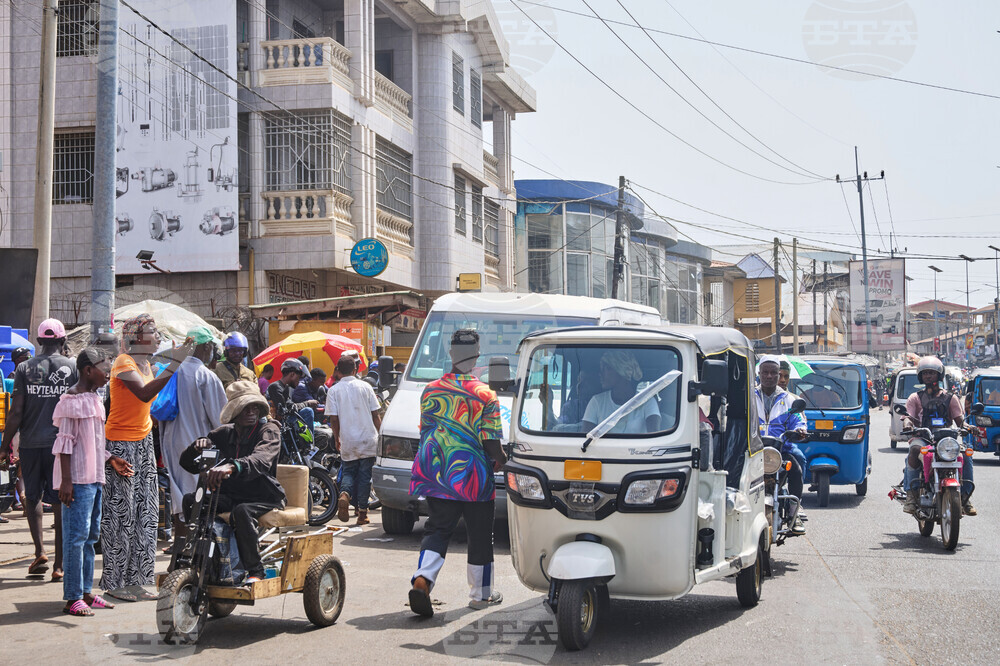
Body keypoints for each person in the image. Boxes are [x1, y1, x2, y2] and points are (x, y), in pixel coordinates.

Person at [408, 330, 506, 617]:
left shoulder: (430, 390)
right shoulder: (486, 395)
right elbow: (490, 441)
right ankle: (480, 595)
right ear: (477, 356)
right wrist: (501, 459)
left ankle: (423, 580)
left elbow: (427, 429)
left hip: (436, 473)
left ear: (450, 354)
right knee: (479, 535)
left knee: (437, 529)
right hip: (475, 476)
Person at [101, 314, 181, 600]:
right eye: (152, 332)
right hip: (121, 443)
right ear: (136, 338)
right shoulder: (124, 362)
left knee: (146, 514)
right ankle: (115, 582)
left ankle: (138, 580)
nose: (157, 336)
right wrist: (175, 364)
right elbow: (145, 394)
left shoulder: (149, 364)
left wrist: (175, 360)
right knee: (121, 515)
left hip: (144, 442)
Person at [52, 348, 133, 616]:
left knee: (90, 538)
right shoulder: (71, 400)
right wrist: (66, 481)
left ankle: (86, 592)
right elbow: (64, 443)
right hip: (77, 480)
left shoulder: (95, 398)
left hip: (95, 477)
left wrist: (110, 459)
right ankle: (72, 596)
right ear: (88, 371)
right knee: (76, 538)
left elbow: (94, 440)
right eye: (104, 368)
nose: (108, 374)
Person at [179, 380, 285, 583]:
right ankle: (204, 558)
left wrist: (231, 467)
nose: (251, 412)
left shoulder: (269, 431)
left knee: (242, 512)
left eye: (255, 407)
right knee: (191, 501)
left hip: (263, 496)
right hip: (232, 495)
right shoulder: (221, 434)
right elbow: (189, 465)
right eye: (246, 407)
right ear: (235, 411)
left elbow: (261, 460)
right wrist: (196, 447)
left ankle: (255, 571)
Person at [1, 319, 77, 579]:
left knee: (32, 497)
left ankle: (39, 552)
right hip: (62, 446)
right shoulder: (73, 367)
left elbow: (16, 411)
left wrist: (4, 446)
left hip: (32, 443)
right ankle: (59, 566)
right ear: (62, 340)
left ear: (39, 341)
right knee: (61, 502)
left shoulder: (24, 368)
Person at [160, 326, 227, 544]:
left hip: (171, 441)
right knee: (198, 495)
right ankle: (194, 544)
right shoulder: (205, 375)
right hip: (198, 444)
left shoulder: (170, 371)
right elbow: (221, 419)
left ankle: (181, 542)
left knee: (179, 494)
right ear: (206, 347)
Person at [901, 356, 975, 516]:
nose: (928, 376)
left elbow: (960, 421)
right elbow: (908, 416)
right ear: (921, 376)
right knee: (914, 450)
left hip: (945, 440)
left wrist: (968, 427)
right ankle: (911, 496)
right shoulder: (915, 398)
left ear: (939, 375)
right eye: (925, 373)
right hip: (923, 438)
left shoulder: (950, 398)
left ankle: (965, 497)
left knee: (966, 454)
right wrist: (907, 425)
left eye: (932, 373)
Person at [755, 355, 808, 535]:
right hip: (754, 452)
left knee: (797, 470)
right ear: (759, 373)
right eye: (765, 372)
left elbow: (799, 420)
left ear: (779, 376)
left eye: (773, 373)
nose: (769, 376)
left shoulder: (790, 400)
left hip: (780, 452)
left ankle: (795, 512)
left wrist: (800, 430)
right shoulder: (749, 397)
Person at [326, 356, 381, 526]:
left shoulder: (334, 390)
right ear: (355, 370)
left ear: (338, 370)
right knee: (365, 477)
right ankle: (362, 514)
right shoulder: (366, 386)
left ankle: (344, 494)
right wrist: (382, 435)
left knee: (349, 471)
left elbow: (333, 419)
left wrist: (337, 438)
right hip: (368, 439)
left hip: (348, 439)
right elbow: (375, 414)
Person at [580, 350, 660, 434]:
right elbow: (586, 437)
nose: (601, 374)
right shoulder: (596, 402)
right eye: (601, 369)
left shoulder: (647, 402)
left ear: (621, 370)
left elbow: (654, 435)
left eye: (607, 368)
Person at [266, 358, 318, 424]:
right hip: (279, 423)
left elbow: (290, 406)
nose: (299, 381)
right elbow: (287, 409)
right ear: (292, 374)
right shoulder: (275, 387)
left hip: (285, 423)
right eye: (298, 378)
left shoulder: (285, 388)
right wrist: (308, 403)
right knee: (308, 412)